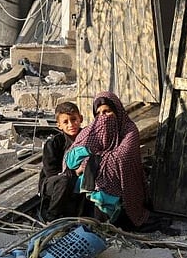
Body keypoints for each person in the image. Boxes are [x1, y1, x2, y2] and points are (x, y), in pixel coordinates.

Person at [64, 91, 151, 229]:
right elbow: (71, 159)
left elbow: (123, 157)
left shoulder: (129, 130)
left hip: (123, 182)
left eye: (107, 111)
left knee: (101, 180)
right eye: (98, 114)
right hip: (92, 185)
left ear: (117, 110)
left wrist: (91, 161)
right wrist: (88, 157)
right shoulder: (93, 130)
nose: (103, 117)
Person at [38, 101, 86, 221]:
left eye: (74, 119)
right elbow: (52, 173)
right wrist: (75, 172)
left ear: (81, 119)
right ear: (59, 125)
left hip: (78, 179)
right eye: (65, 122)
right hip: (54, 183)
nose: (71, 125)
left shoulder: (87, 139)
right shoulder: (53, 144)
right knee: (64, 180)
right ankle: (52, 215)